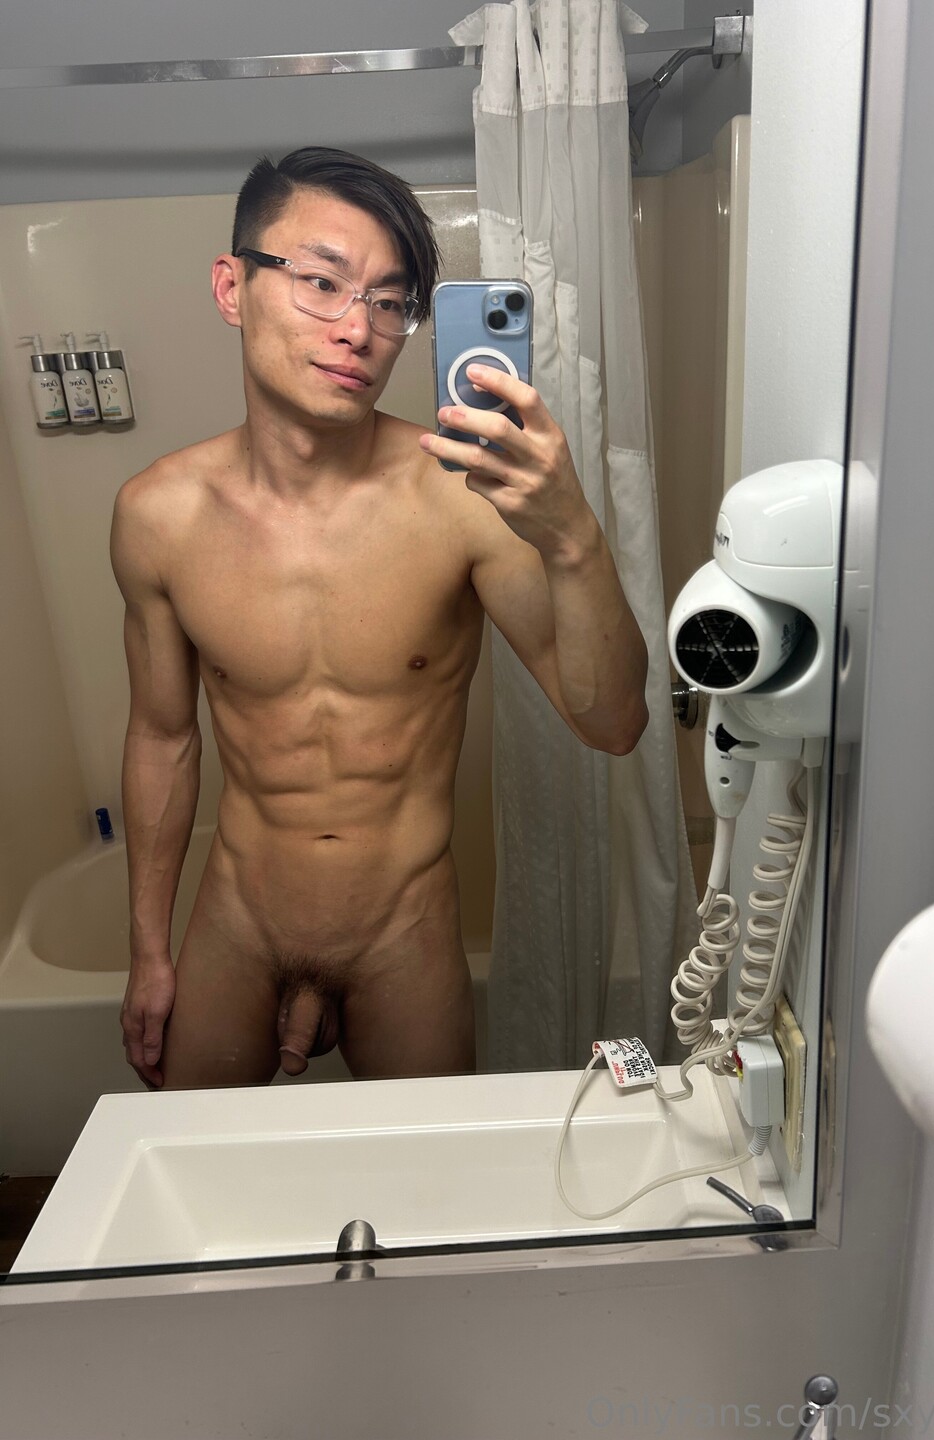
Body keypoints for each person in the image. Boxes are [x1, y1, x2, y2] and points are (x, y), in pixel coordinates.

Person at [111, 146, 649, 1091]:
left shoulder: (462, 499)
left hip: (403, 928)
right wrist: (149, 950)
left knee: (432, 1180)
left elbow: (613, 723)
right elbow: (163, 737)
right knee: (198, 1167)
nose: (359, 329)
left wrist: (572, 535)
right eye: (323, 283)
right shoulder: (159, 517)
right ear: (233, 288)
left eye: (391, 302)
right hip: (239, 916)